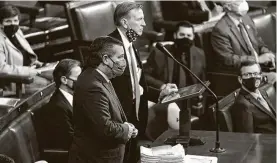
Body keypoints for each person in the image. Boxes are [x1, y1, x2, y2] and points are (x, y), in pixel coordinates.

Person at [108, 2, 178, 162]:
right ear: (125, 23)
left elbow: (135, 83)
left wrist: (159, 93)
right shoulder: (109, 47)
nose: (144, 24)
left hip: (136, 115)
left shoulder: (131, 44)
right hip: (120, 121)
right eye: (139, 19)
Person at [68, 36, 138, 163]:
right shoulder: (92, 86)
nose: (124, 62)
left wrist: (127, 126)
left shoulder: (100, 78)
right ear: (105, 59)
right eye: (120, 57)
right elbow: (105, 128)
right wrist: (127, 129)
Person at [211, 0, 276, 83]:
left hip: (261, 67)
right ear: (228, 7)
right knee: (275, 77)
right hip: (244, 73)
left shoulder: (246, 18)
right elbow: (228, 59)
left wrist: (268, 54)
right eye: (238, 1)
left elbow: (258, 42)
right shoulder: (220, 29)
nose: (244, 3)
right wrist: (257, 59)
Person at [0, 5, 50, 96]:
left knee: (60, 76)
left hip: (32, 70)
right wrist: (27, 71)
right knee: (49, 86)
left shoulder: (17, 31)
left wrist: (37, 63)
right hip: (16, 83)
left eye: (15, 20)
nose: (13, 24)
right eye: (8, 21)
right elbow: (1, 69)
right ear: (1, 24)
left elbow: (23, 51)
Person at [40, 59, 81, 150]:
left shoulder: (78, 97)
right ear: (64, 80)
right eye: (79, 78)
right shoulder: (57, 107)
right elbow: (70, 140)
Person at [231, 60, 276, 133]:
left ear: (261, 76)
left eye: (256, 73)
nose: (253, 77)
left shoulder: (262, 92)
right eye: (248, 74)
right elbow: (248, 137)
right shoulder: (242, 105)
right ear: (240, 79)